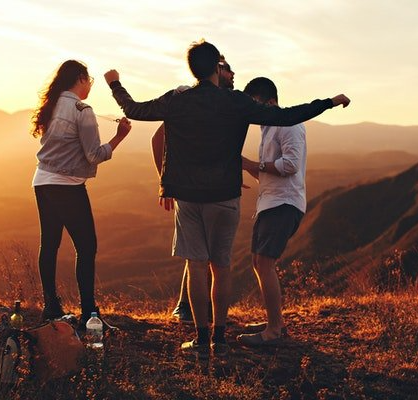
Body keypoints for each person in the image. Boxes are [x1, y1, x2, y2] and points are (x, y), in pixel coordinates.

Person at [104, 40, 350, 359]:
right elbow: (288, 116)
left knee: (196, 267)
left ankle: (201, 340)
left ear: (193, 68)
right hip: (225, 195)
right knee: (222, 267)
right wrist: (329, 102)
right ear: (216, 68)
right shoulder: (235, 102)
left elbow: (134, 109)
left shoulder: (178, 100)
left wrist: (115, 84)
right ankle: (220, 338)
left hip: (189, 197)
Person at [31, 60, 131, 331]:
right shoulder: (82, 110)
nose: (89, 87)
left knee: (50, 244)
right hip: (68, 185)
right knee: (86, 247)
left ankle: (51, 307)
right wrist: (120, 136)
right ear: (80, 79)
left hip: (42, 181)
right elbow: (94, 155)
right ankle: (89, 314)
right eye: (89, 81)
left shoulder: (52, 105)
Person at [151, 55, 235, 324]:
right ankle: (187, 308)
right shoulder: (189, 99)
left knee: (203, 255)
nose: (234, 74)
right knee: (198, 256)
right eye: (227, 69)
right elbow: (158, 137)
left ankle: (197, 312)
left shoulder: (222, 103)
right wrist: (165, 181)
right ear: (215, 71)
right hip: (191, 188)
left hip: (211, 186)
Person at [236, 77, 308, 347]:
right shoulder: (268, 127)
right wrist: (245, 166)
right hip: (270, 202)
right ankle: (273, 321)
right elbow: (268, 172)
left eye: (253, 104)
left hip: (284, 204)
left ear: (269, 101)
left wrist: (255, 163)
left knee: (264, 263)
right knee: (259, 262)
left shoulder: (287, 124)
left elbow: (289, 165)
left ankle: (274, 330)